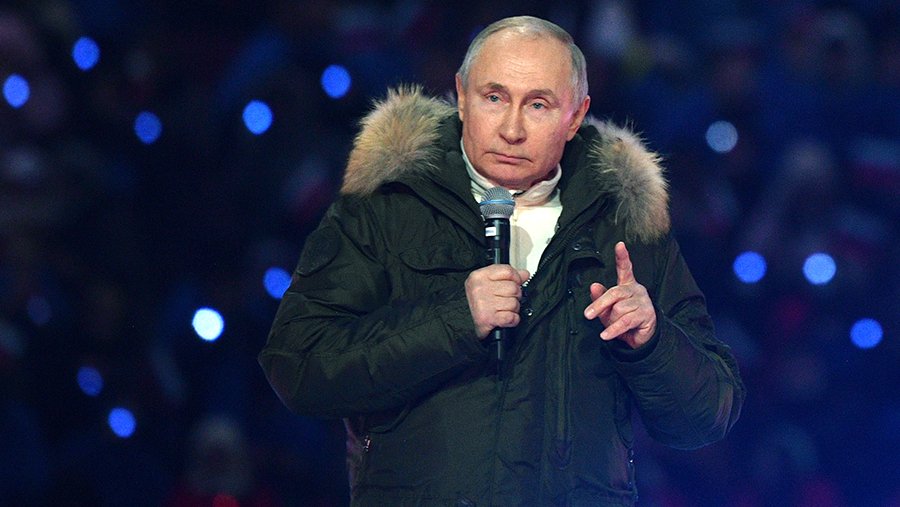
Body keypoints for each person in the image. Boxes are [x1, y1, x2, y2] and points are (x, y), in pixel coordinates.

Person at [259, 15, 744, 506]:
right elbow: (298, 367)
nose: (512, 129)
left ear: (575, 116)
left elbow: (708, 416)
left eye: (538, 105)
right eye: (494, 98)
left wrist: (652, 340)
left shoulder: (624, 222)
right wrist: (455, 321)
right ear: (461, 96)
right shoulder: (387, 206)